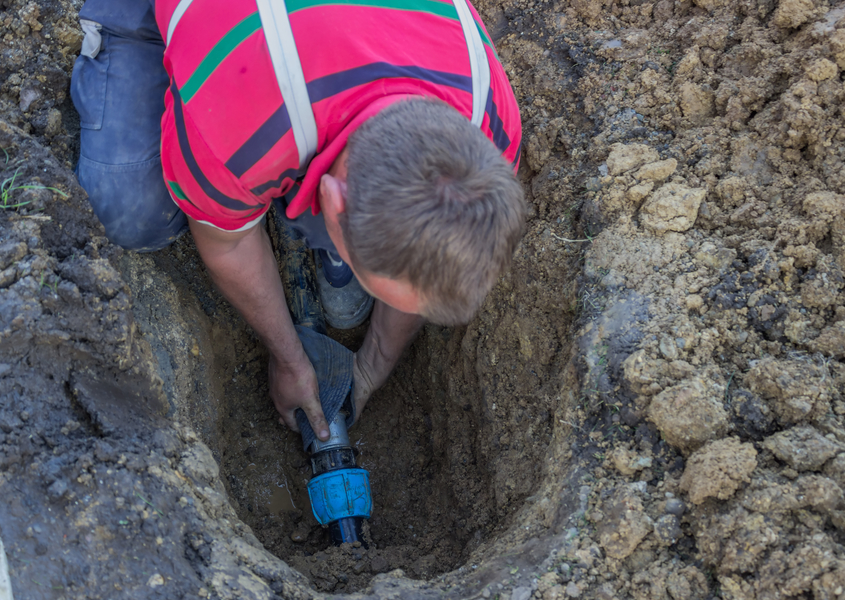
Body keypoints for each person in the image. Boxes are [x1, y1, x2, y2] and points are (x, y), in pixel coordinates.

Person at [70, 0, 525, 442]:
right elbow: (226, 244)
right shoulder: (233, 131)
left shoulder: (491, 127)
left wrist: (373, 365)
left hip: (306, 51)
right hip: (232, 42)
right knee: (132, 210)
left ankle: (320, 218)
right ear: (333, 199)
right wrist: (289, 361)